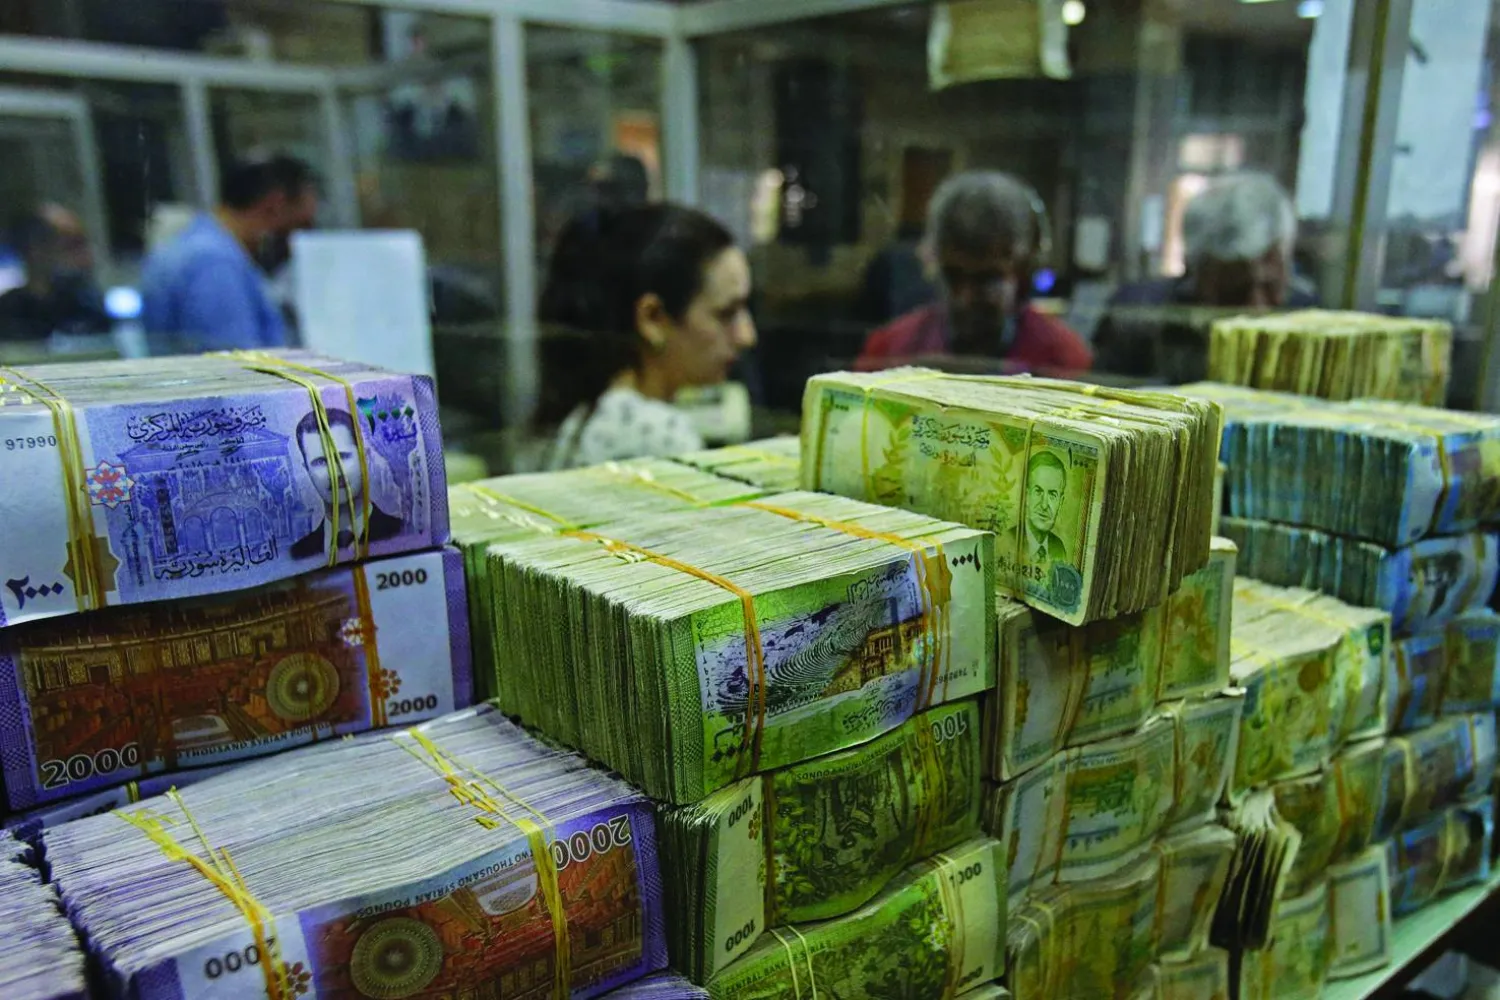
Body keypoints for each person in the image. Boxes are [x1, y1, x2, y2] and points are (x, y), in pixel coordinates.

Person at [537, 203, 757, 469]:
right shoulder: (661, 436)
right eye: (726, 314)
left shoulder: (579, 419)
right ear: (653, 319)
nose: (747, 336)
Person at [855, 171, 1091, 373]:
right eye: (953, 276)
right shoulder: (890, 350)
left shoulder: (1062, 359)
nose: (964, 298)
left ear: (1024, 272)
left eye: (987, 279)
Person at [141, 154, 317, 352]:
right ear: (274, 205)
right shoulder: (214, 265)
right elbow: (238, 364)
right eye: (300, 224)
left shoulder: (192, 245)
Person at [290, 408, 405, 561]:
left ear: (365, 458)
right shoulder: (298, 554)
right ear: (307, 470)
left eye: (342, 457)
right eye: (320, 462)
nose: (335, 473)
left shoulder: (402, 532)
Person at [0, 205, 110, 343]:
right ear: (34, 249)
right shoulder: (8, 311)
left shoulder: (87, 305)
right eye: (70, 245)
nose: (87, 256)